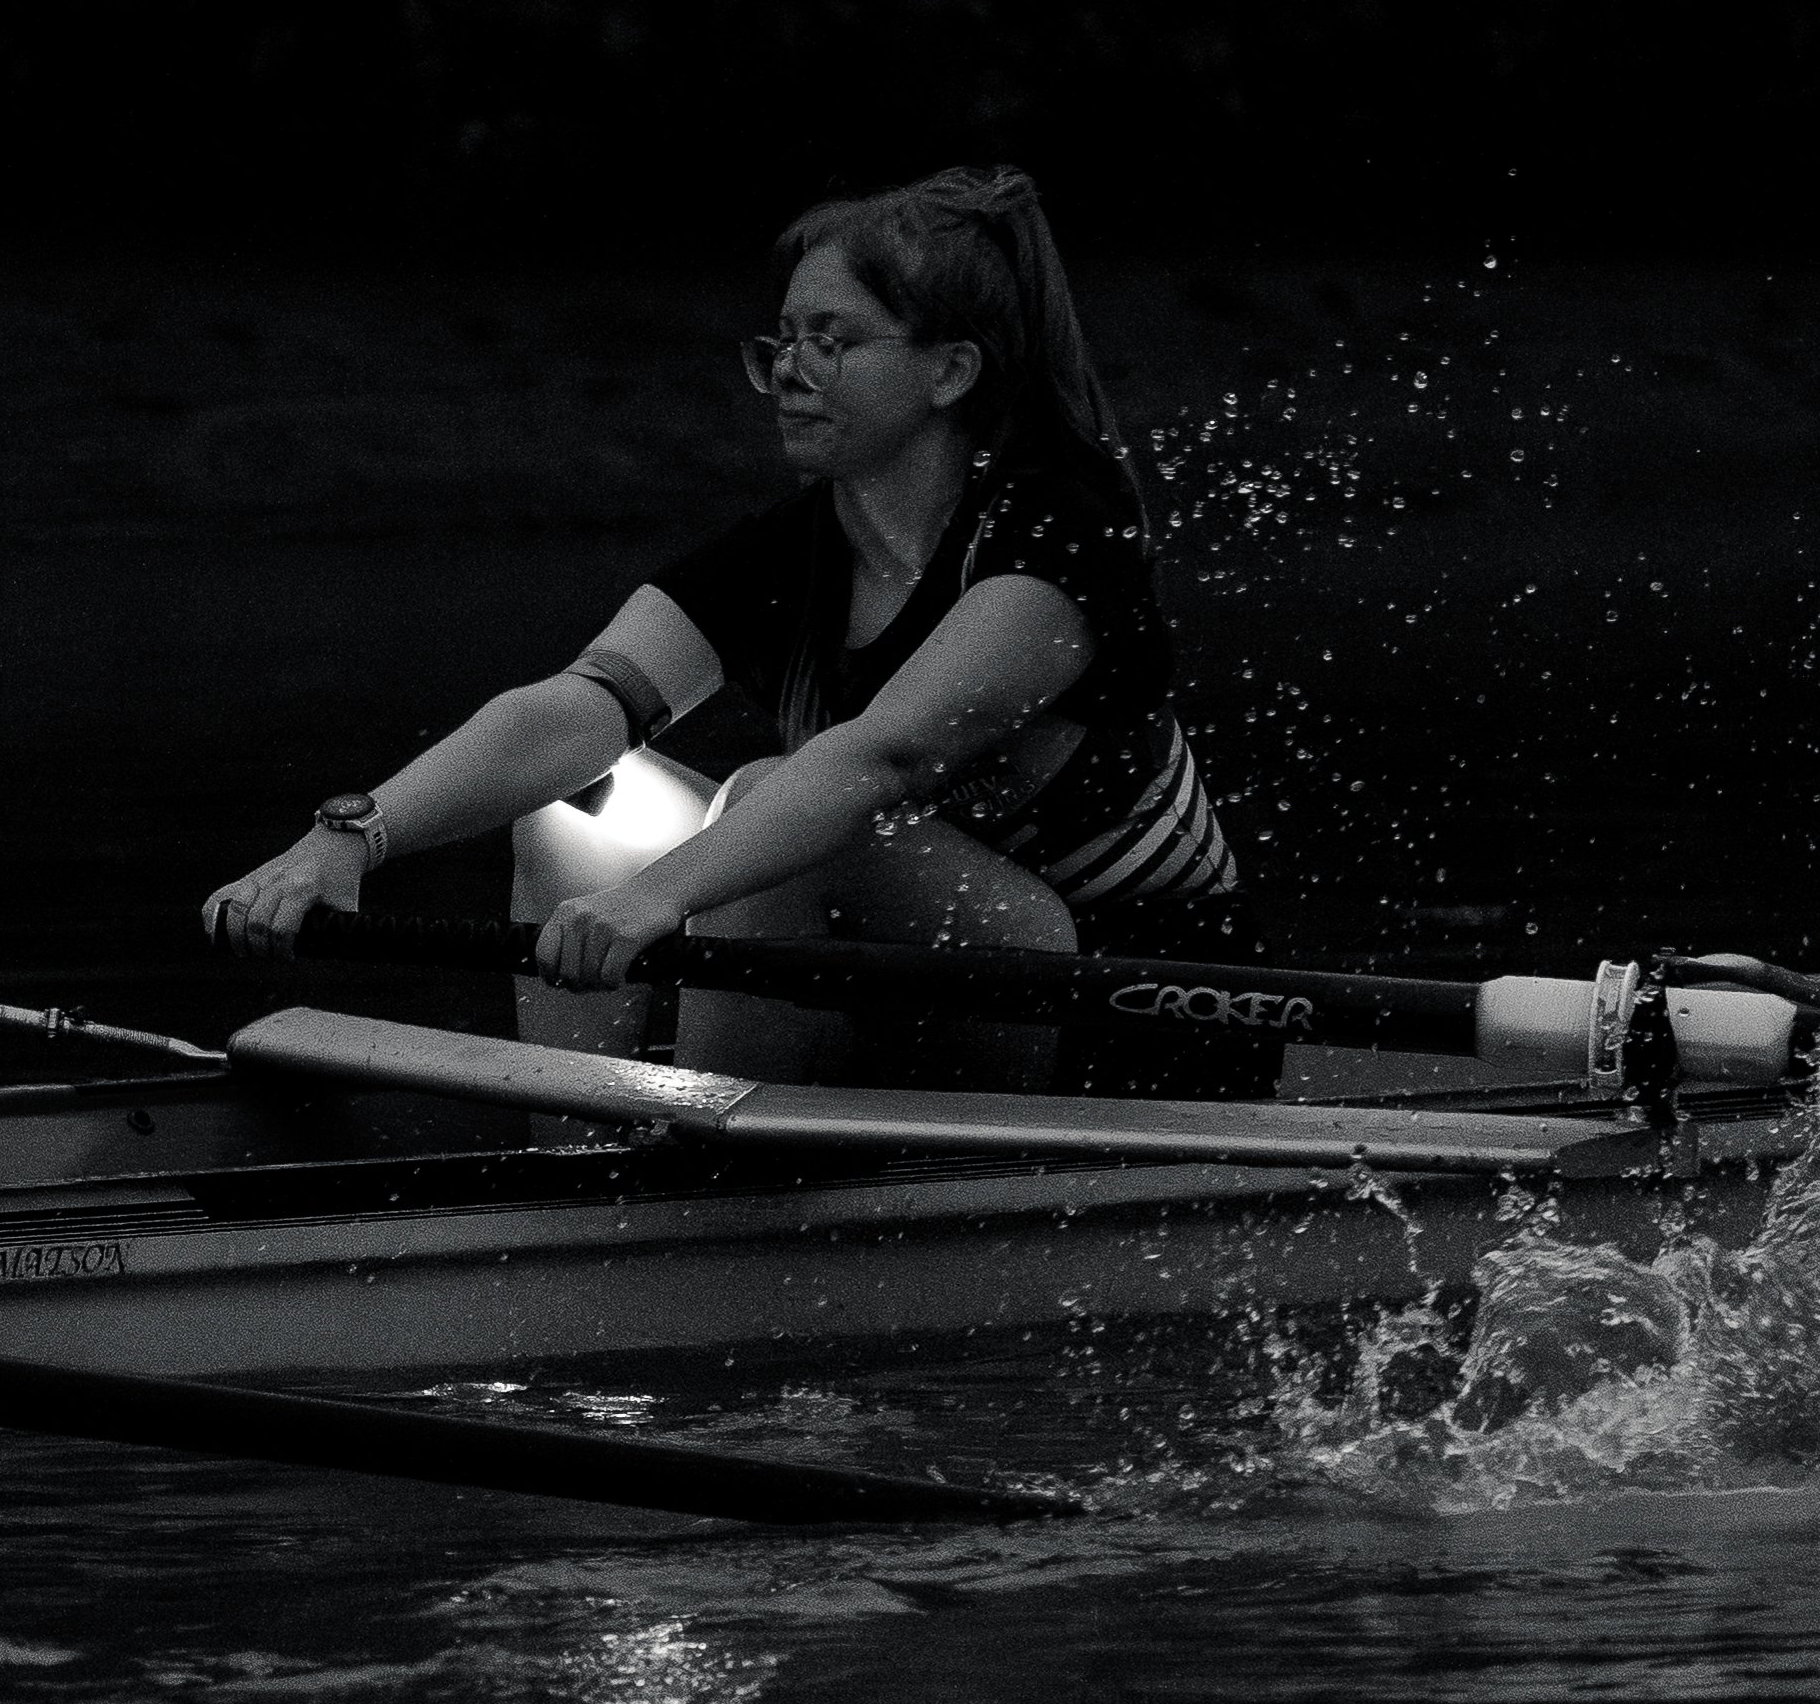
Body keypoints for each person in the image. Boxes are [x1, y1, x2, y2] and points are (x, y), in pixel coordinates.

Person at [203, 164, 1265, 1094]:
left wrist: (656, 896)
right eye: (784, 340)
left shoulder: (1058, 533)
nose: (790, 371)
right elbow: (574, 708)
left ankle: (700, 1167)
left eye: (833, 340)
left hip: (1133, 1015)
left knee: (766, 799)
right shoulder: (794, 550)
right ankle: (571, 1163)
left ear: (948, 370)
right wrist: (349, 837)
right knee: (579, 803)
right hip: (929, 977)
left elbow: (880, 758)